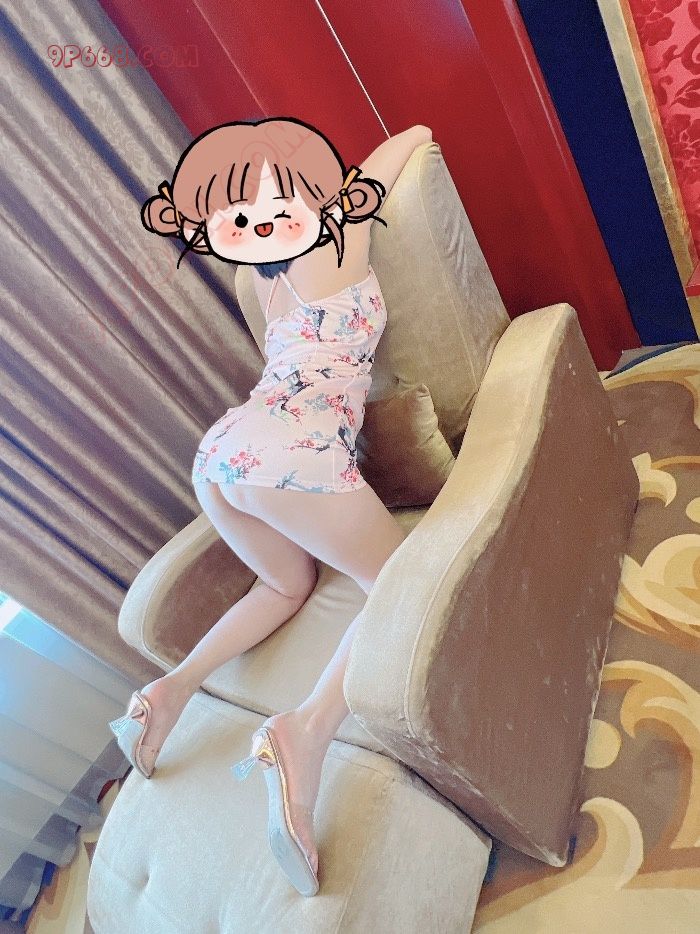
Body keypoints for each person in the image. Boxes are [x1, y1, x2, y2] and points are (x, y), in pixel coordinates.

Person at [110, 118, 433, 896]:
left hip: (224, 452)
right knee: (397, 582)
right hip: (288, 449)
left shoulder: (261, 279)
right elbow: (409, 139)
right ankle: (307, 730)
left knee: (284, 585)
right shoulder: (336, 230)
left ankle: (169, 690)